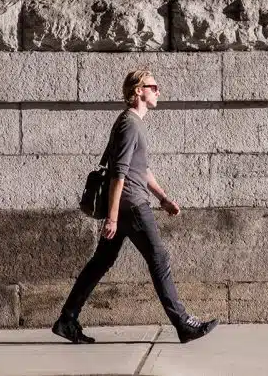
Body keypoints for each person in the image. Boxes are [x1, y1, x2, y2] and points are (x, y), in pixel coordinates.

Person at [53, 68, 219, 345]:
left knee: (100, 263)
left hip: (127, 203)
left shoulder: (132, 123)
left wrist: (163, 198)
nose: (158, 91)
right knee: (159, 259)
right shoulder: (130, 123)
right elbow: (119, 172)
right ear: (138, 90)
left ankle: (67, 319)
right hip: (130, 205)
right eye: (153, 86)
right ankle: (183, 323)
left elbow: (140, 169)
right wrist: (113, 217)